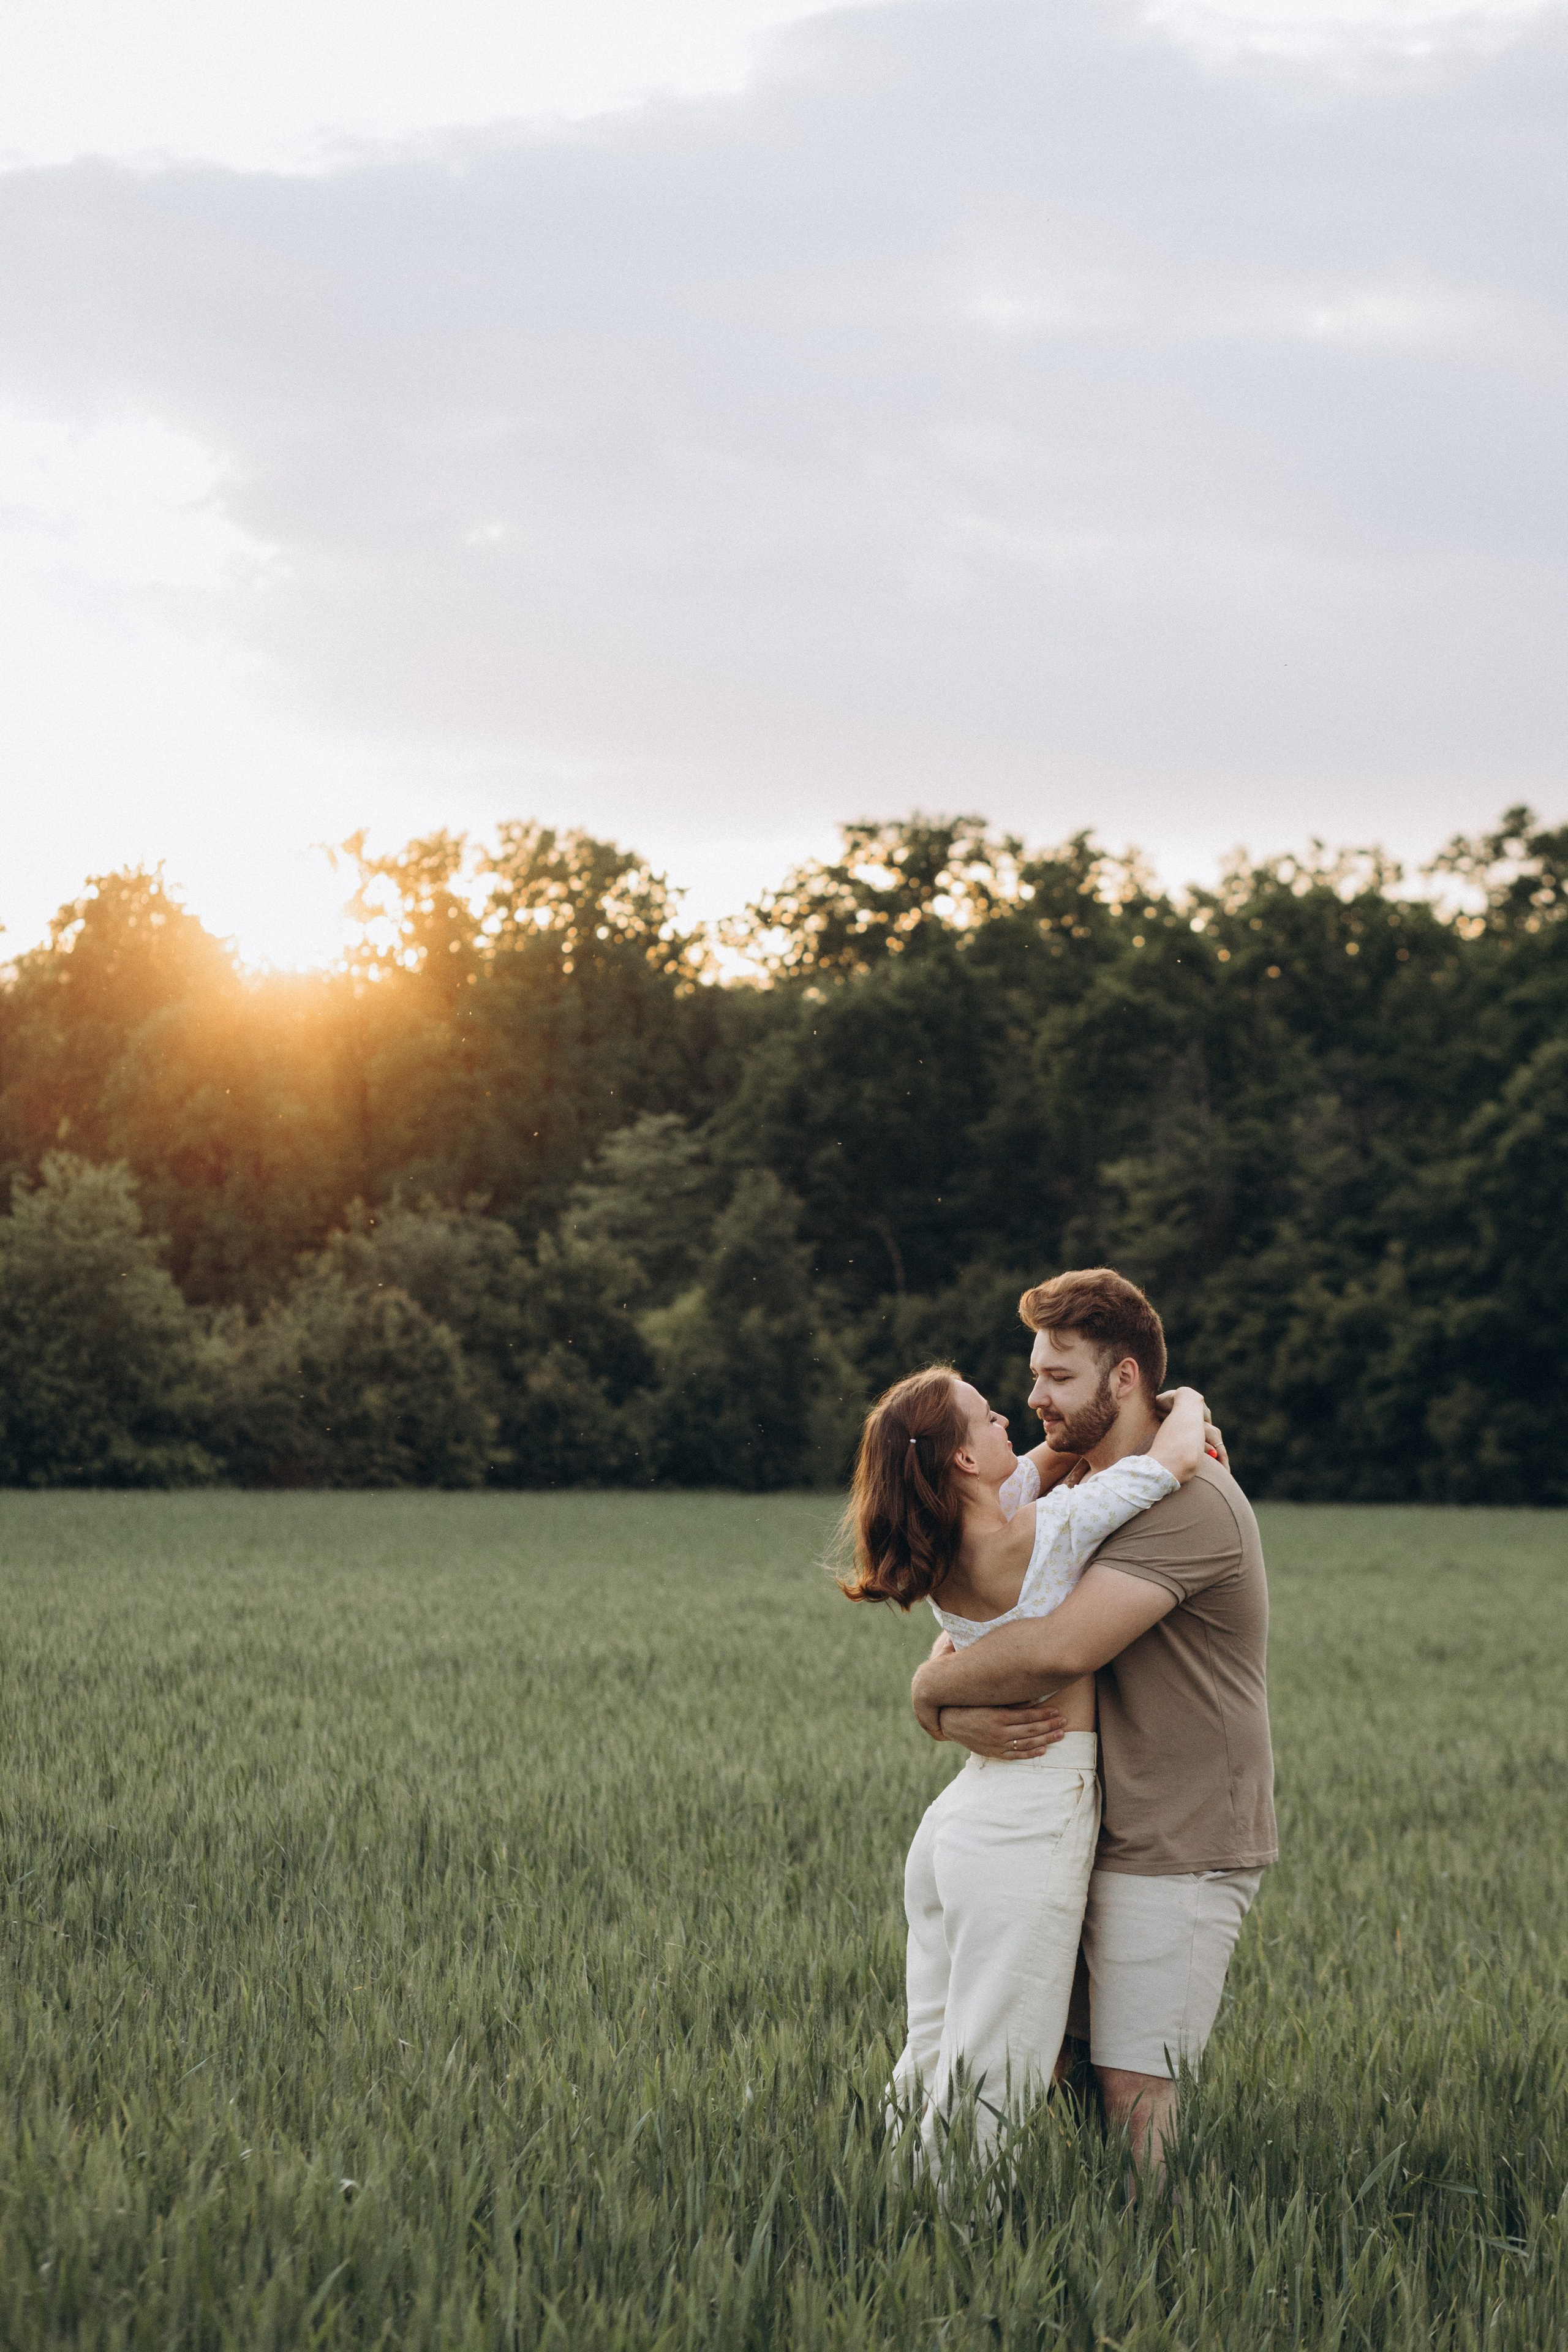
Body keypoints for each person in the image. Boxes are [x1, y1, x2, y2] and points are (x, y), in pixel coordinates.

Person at [910, 1267, 1278, 2176]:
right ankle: (1063, 2246)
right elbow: (989, 1623)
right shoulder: (1091, 1480)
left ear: (1123, 1381)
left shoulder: (1187, 1501)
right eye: (1032, 1374)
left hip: (1178, 1834)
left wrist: (928, 1698)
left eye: (1058, 1377)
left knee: (1134, 2090)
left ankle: (1168, 2274)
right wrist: (940, 1685)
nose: (1033, 1397)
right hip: (1093, 1822)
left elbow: (1055, 1649)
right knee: (1060, 2069)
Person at [837, 1360, 1214, 2171]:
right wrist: (1182, 1400)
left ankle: (894, 2219)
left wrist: (934, 1701)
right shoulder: (1041, 1532)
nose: (1009, 1419)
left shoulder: (969, 1530)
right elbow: (1173, 1460)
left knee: (934, 2053)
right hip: (1028, 1818)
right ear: (964, 1460)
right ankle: (951, 2248)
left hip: (962, 1823)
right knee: (997, 2072)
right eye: (986, 1417)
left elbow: (1051, 1460)